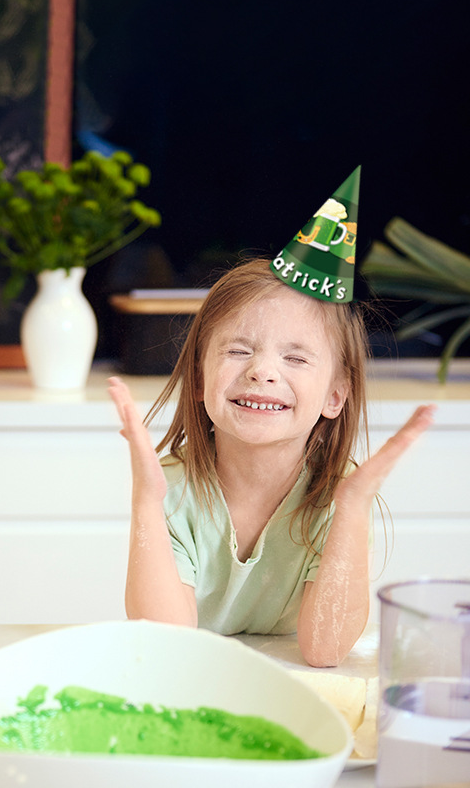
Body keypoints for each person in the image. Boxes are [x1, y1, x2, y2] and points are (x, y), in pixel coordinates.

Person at [107, 258, 435, 667]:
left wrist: (351, 509)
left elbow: (325, 650)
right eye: (239, 350)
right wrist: (146, 503)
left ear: (335, 395)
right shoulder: (172, 490)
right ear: (197, 378)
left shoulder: (339, 496)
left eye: (296, 359)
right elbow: (166, 647)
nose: (262, 372)